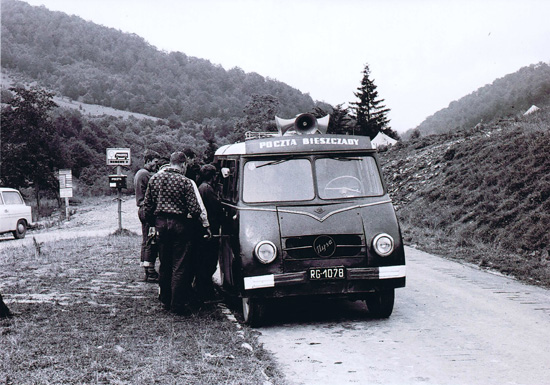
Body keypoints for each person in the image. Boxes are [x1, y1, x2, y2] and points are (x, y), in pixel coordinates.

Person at [142, 151, 211, 315]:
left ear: (170, 163)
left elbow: (147, 206)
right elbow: (195, 209)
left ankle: (164, 300)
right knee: (179, 265)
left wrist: (153, 223)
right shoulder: (185, 182)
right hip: (180, 225)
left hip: (160, 225)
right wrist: (199, 224)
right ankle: (177, 304)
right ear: (183, 164)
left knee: (165, 263)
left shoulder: (154, 179)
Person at [194, 164, 223, 302]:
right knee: (209, 262)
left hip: (205, 230)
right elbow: (217, 209)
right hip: (210, 230)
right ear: (213, 176)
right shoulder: (207, 189)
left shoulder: (202, 187)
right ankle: (205, 293)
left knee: (204, 262)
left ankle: (204, 291)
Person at [134, 149, 160, 282]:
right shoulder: (146, 174)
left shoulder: (140, 173)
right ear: (148, 160)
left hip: (142, 208)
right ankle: (150, 271)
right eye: (155, 162)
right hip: (147, 209)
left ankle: (147, 268)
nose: (156, 165)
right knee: (151, 240)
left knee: (146, 239)